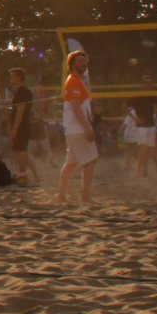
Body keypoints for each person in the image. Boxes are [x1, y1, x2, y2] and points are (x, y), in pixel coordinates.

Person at [56, 50, 98, 205]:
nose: (84, 63)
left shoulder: (76, 80)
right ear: (73, 64)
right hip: (78, 128)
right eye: (81, 61)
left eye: (85, 61)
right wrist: (88, 128)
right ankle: (85, 197)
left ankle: (61, 196)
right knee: (90, 161)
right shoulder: (73, 80)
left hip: (73, 129)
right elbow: (75, 107)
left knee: (71, 163)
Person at [3, 67, 40, 186]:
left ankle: (22, 176)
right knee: (20, 151)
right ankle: (37, 176)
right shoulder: (20, 91)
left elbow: (20, 110)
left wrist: (14, 128)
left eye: (12, 76)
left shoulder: (23, 91)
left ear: (19, 77)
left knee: (20, 152)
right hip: (21, 125)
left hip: (21, 125)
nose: (10, 78)